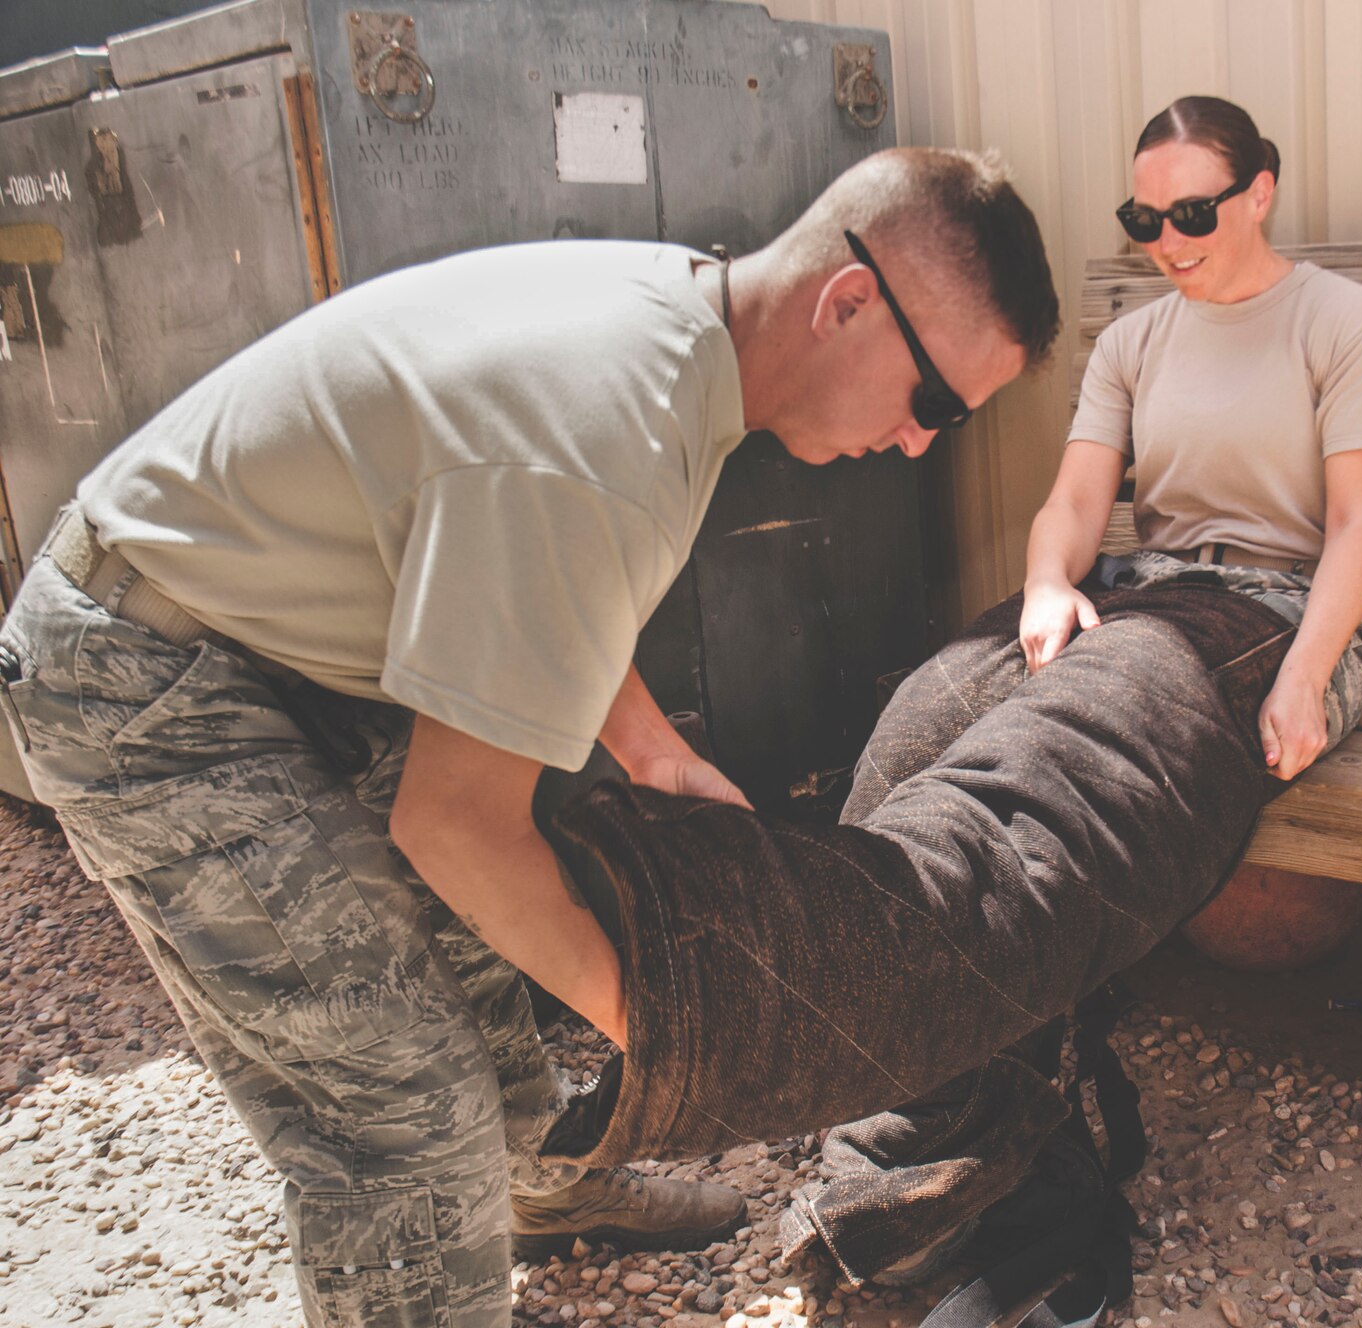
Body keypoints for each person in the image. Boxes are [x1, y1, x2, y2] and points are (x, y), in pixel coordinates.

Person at [0, 146, 1059, 1327]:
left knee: (474, 970)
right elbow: (457, 823)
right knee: (397, 1099)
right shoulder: (609, 426)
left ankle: (545, 1196)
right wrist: (695, 1040)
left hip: (285, 641)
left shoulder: (685, 325)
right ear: (849, 302)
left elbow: (537, 570)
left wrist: (649, 747)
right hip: (144, 671)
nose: (923, 443)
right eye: (937, 403)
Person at [1020, 94, 1362, 782]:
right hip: (1155, 594)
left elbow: (1358, 524)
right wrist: (1045, 582)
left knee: (1109, 707)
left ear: (1260, 194)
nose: (1168, 244)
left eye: (1193, 215)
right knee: (950, 691)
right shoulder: (1129, 344)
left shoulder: (1345, 323)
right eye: (1144, 220)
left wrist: (1304, 679)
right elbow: (1075, 504)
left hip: (1285, 607)